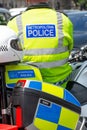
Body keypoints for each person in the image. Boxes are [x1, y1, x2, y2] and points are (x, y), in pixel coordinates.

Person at [7, 0, 73, 88]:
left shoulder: (14, 22)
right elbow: (69, 49)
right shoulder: (64, 20)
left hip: (25, 87)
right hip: (60, 85)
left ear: (27, 1)